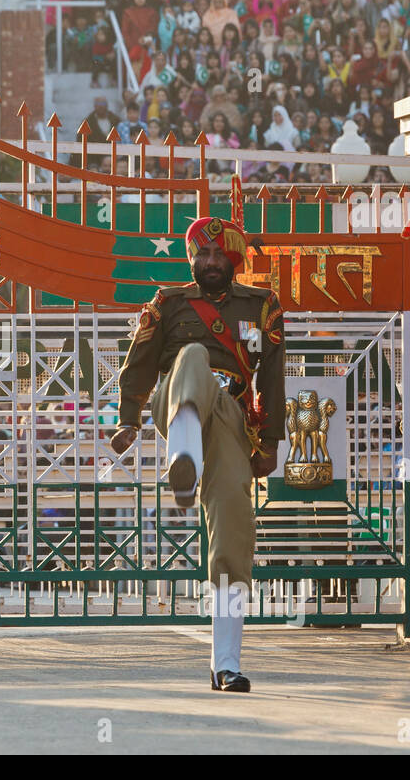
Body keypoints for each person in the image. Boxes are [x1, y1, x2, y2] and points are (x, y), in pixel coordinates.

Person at [110, 216, 285, 692]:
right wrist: (128, 420)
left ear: (233, 258)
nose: (209, 263)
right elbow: (139, 361)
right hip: (176, 399)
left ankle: (225, 662)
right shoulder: (169, 303)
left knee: (233, 532)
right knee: (192, 357)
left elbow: (271, 376)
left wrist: (270, 440)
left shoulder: (262, 305)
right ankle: (181, 462)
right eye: (201, 255)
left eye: (218, 255)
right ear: (191, 259)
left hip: (230, 416)